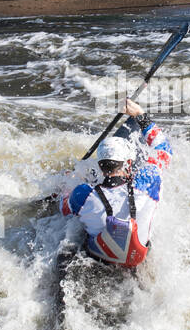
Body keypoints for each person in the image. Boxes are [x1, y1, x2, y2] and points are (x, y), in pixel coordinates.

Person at [61, 98, 172, 268]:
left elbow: (65, 209)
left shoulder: (82, 193)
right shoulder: (148, 180)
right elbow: (164, 149)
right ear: (128, 163)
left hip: (101, 259)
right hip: (138, 256)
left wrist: (69, 182)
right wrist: (140, 116)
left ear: (100, 165)